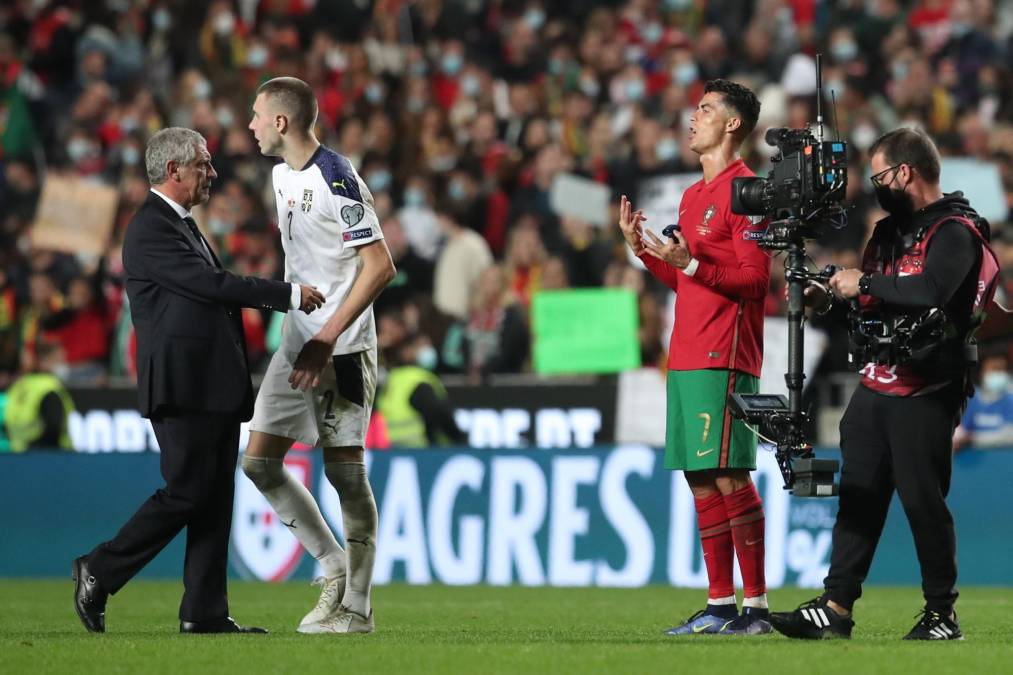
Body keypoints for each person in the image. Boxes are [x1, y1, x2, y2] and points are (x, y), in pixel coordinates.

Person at [73, 127, 325, 634]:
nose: (212, 173)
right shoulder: (151, 228)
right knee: (188, 491)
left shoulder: (178, 224)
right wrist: (289, 294)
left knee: (212, 497)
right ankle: (99, 569)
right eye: (203, 165)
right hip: (182, 385)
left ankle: (204, 611)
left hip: (209, 384)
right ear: (174, 171)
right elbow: (211, 286)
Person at [770, 128, 1001, 641]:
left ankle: (943, 614)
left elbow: (933, 289)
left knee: (923, 502)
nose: (875, 186)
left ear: (904, 172)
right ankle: (836, 608)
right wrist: (828, 298)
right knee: (858, 496)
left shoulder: (955, 231)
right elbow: (869, 300)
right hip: (875, 383)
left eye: (879, 175)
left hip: (928, 387)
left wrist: (865, 282)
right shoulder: (888, 232)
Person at [242, 77, 396, 635]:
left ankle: (357, 606)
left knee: (345, 475)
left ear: (281, 122)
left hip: (344, 346)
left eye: (258, 115)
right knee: (257, 461)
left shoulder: (339, 177)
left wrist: (328, 335)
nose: (252, 124)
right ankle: (331, 562)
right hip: (297, 342)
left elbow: (380, 266)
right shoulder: (280, 176)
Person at [618, 79, 771, 635]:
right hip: (684, 351)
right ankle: (720, 605)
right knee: (700, 478)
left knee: (730, 475)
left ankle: (755, 608)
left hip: (724, 352)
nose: (693, 117)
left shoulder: (748, 192)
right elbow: (685, 280)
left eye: (705, 109)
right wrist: (642, 249)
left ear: (732, 123)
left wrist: (688, 264)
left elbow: (755, 281)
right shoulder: (690, 196)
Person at [377, 331, 465, 447]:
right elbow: (438, 412)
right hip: (421, 451)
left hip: (392, 450)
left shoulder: (391, 379)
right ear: (406, 351)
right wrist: (459, 438)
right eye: (422, 345)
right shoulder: (418, 379)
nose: (427, 350)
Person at [3, 341, 74, 452]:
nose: (63, 364)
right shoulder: (49, 387)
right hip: (50, 456)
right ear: (43, 361)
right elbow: (53, 426)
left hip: (16, 454)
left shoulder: (17, 386)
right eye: (59, 360)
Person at [953, 351, 1013, 450]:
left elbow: (1010, 435)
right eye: (993, 369)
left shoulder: (1010, 400)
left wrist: (974, 439)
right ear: (982, 373)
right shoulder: (973, 399)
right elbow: (961, 430)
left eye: (1001, 369)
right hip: (973, 460)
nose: (997, 374)